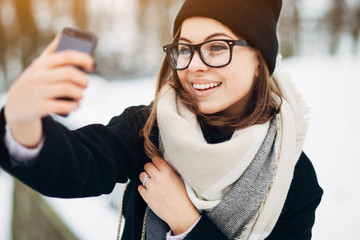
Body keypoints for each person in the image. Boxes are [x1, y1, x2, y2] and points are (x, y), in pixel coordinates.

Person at [0, 0, 323, 239]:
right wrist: (22, 119)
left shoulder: (292, 177)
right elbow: (77, 167)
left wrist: (187, 223)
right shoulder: (149, 129)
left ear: (259, 61)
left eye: (216, 47)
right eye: (184, 49)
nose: (194, 65)